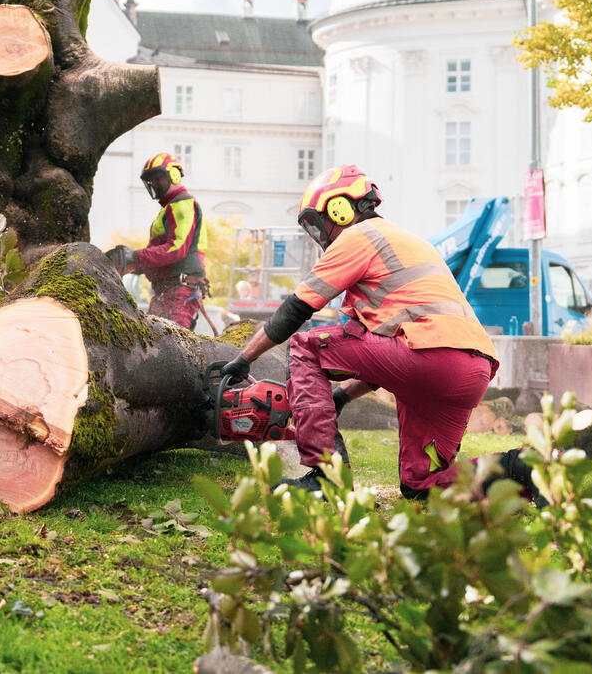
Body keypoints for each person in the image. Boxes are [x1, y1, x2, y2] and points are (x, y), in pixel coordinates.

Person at [222, 165, 543, 504]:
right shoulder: (408, 243)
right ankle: (522, 467)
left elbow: (297, 309)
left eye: (319, 223)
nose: (322, 235)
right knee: (423, 485)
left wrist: (243, 360)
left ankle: (326, 478)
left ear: (339, 209)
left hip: (428, 356)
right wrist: (341, 397)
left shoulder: (359, 236)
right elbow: (389, 356)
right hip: (470, 369)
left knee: (306, 346)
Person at [108, 153, 208, 330]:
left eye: (158, 178)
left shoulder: (182, 204)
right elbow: (159, 256)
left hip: (180, 290)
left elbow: (176, 249)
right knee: (151, 340)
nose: (154, 183)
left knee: (172, 344)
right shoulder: (169, 208)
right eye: (151, 180)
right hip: (166, 289)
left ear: (174, 175)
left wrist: (136, 257)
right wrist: (134, 265)